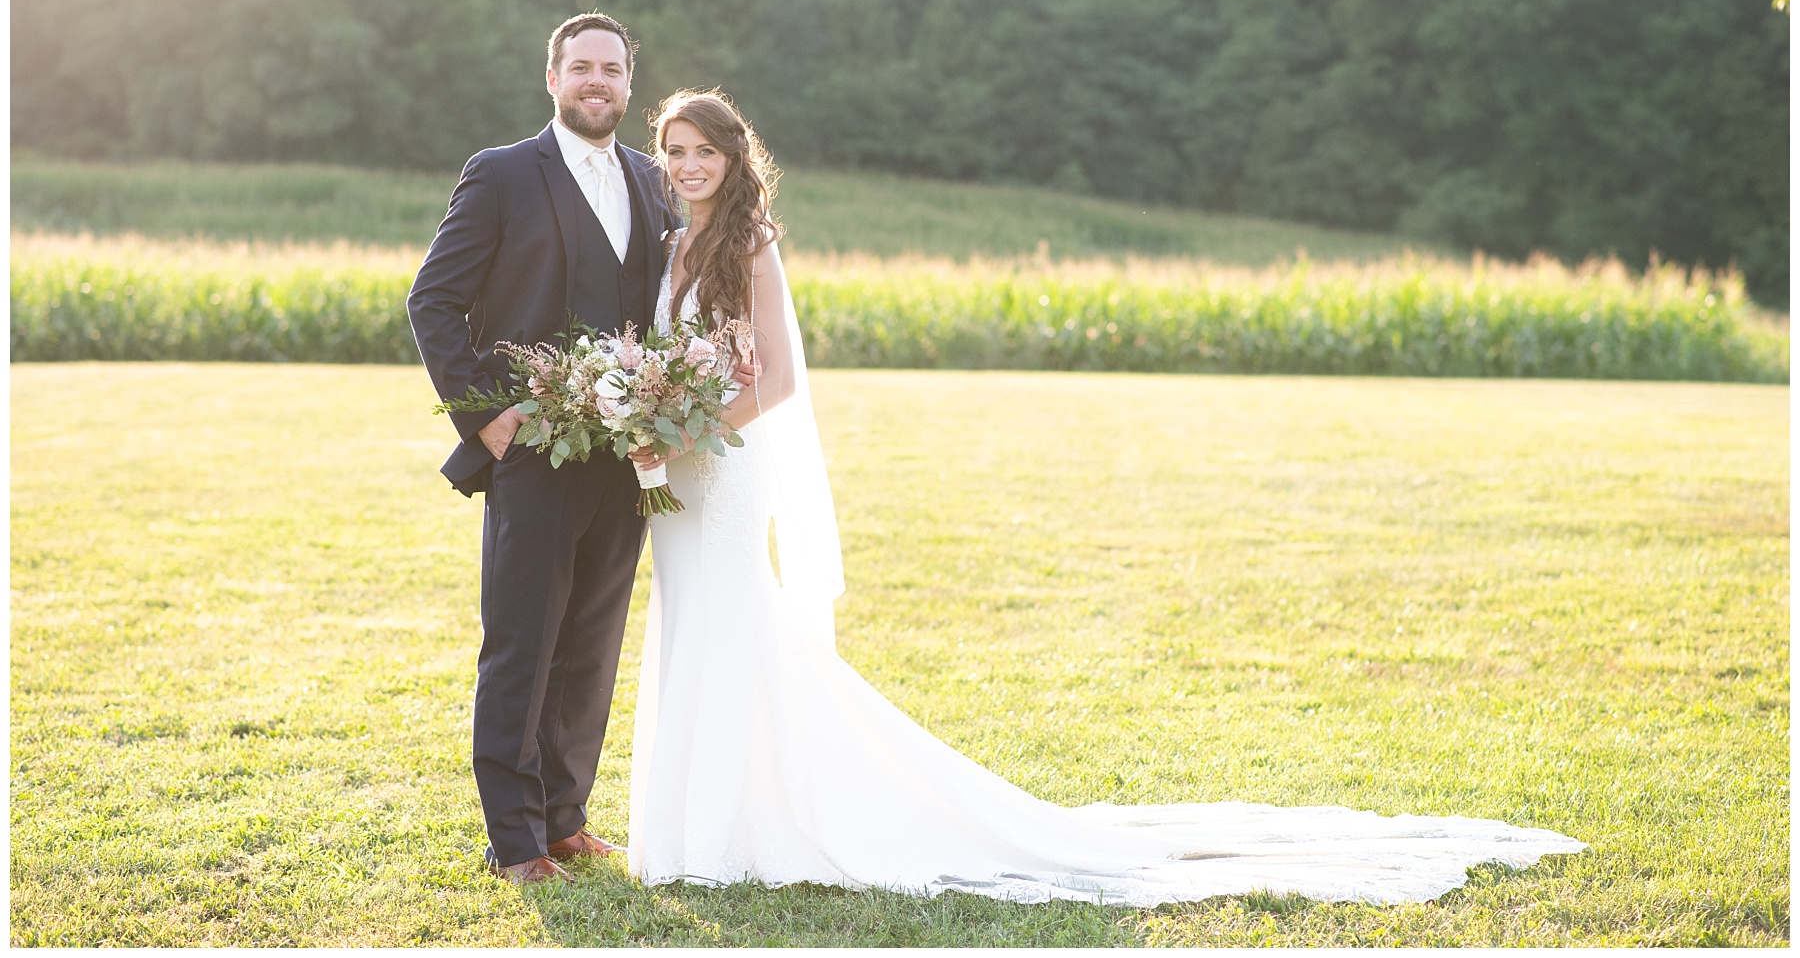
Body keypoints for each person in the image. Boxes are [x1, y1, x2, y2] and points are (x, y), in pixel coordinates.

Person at [623, 87, 1587, 906]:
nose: (689, 162)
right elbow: (675, 362)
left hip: (727, 466)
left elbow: (781, 381)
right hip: (682, 478)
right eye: (675, 150)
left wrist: (690, 425)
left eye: (704, 149)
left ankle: (738, 830)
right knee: (688, 624)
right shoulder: (673, 250)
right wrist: (653, 419)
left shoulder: (752, 247)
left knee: (737, 630)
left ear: (734, 158)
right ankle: (689, 830)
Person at [407, 13, 681, 885]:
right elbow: (433, 301)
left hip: (626, 452)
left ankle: (565, 817)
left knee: (593, 639)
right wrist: (485, 416)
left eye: (613, 69)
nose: (597, 80)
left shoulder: (652, 178)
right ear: (553, 78)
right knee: (522, 640)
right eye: (581, 67)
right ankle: (515, 838)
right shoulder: (499, 174)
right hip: (534, 449)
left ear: (628, 86)